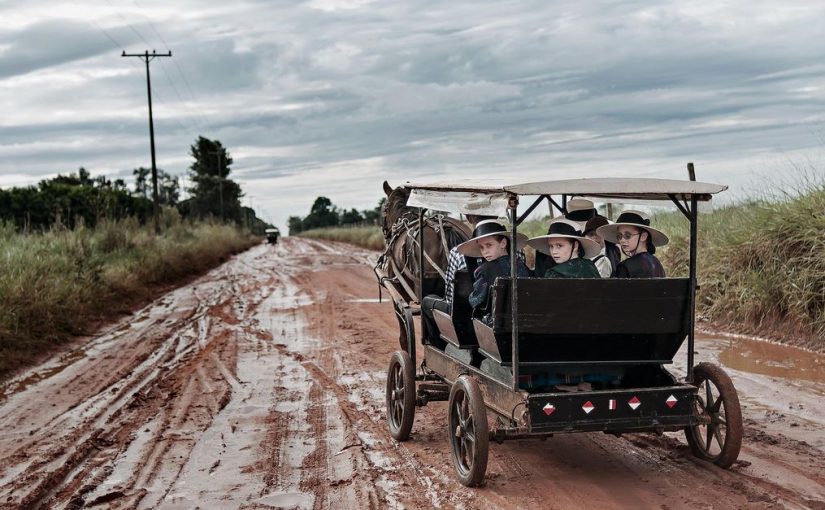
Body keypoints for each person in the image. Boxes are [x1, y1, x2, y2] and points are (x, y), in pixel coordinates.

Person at [421, 214, 494, 345]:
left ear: (470, 218)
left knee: (426, 301)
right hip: (506, 320)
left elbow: (450, 296)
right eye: (482, 248)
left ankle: (437, 346)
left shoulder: (458, 252)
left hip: (469, 322)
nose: (485, 251)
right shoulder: (517, 253)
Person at [455, 220, 530, 319]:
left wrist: (471, 297)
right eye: (481, 247)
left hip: (497, 321)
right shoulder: (521, 265)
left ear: (503, 243)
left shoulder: (483, 270)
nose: (485, 252)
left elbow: (477, 301)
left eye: (489, 245)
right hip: (525, 317)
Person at [595, 210, 668, 278]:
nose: (622, 240)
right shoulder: (657, 263)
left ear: (643, 236)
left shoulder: (625, 267)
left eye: (627, 235)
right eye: (620, 236)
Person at [527, 218, 601, 278]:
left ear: (575, 246)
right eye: (551, 246)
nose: (554, 251)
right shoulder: (590, 267)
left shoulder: (555, 274)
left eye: (559, 246)